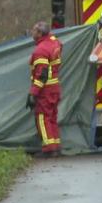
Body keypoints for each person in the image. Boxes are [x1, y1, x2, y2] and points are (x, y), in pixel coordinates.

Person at [26, 21, 62, 157]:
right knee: (52, 117)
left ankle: (49, 149)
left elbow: (42, 75)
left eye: (34, 30)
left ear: (40, 33)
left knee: (42, 117)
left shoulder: (40, 50)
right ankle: (56, 146)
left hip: (45, 90)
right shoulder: (54, 43)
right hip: (55, 88)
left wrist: (32, 93)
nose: (32, 32)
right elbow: (56, 42)